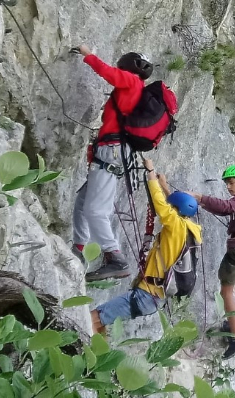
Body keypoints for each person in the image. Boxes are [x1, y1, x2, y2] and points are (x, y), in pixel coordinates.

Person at [90, 158, 202, 335]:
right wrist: (164, 186)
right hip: (153, 297)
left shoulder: (176, 225)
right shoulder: (189, 228)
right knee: (101, 321)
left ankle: (84, 348)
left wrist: (151, 172)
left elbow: (161, 206)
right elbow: (173, 207)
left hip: (147, 295)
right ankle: (97, 350)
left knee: (92, 318)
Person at [71, 45, 152, 281]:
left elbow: (109, 74)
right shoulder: (137, 87)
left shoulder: (132, 81)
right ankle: (78, 248)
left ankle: (115, 257)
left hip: (111, 151)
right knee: (82, 203)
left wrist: (88, 55)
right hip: (113, 150)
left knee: (95, 211)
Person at [190, 165, 235, 359]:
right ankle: (234, 326)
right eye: (227, 183)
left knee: (226, 291)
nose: (228, 187)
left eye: (231, 183)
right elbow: (228, 209)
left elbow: (226, 207)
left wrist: (200, 198)